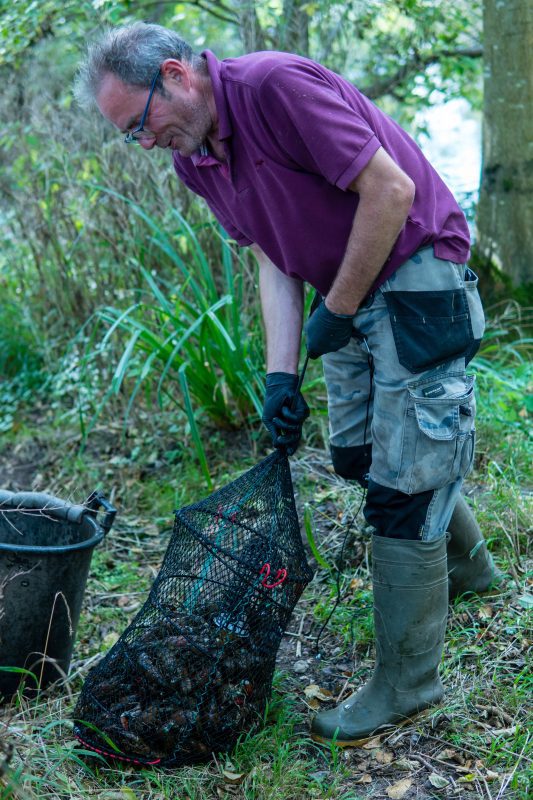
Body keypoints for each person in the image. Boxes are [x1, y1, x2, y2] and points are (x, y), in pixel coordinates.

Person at [75, 22, 500, 745]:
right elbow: (273, 258)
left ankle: (407, 682)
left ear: (176, 76)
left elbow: (389, 191)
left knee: (404, 487)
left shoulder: (274, 88)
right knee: (362, 459)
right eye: (129, 137)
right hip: (348, 294)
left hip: (415, 281)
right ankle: (467, 567)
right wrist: (280, 375)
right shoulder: (195, 159)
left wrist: (332, 311)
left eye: (141, 124)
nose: (144, 144)